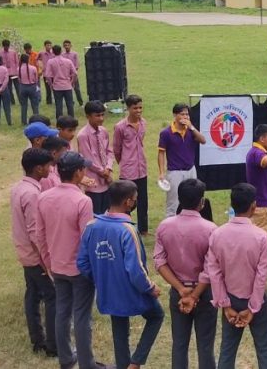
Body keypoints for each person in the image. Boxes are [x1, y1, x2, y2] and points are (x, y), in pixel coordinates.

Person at [77, 180, 165, 369]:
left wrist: (100, 278)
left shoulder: (91, 226)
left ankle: (123, 364)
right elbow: (136, 269)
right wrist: (150, 288)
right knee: (157, 315)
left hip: (108, 292)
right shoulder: (127, 230)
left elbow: (82, 262)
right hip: (131, 292)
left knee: (119, 329)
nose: (135, 202)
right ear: (127, 202)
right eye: (135, 199)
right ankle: (135, 362)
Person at [34, 151, 106, 369]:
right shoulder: (82, 201)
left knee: (62, 312)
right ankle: (87, 363)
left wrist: (48, 263)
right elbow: (87, 239)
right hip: (79, 269)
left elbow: (40, 235)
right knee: (82, 317)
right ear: (77, 173)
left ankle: (66, 358)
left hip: (57, 265)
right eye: (83, 168)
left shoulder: (44, 197)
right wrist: (92, 270)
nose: (85, 170)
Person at [206, 183, 267, 369]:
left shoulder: (217, 234)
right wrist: (253, 307)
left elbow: (214, 272)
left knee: (227, 350)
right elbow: (261, 275)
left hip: (231, 300)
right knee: (264, 350)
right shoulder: (260, 236)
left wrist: (225, 304)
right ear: (253, 206)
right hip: (256, 301)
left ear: (232, 204)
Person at [154, 178, 219, 369]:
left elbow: (159, 261)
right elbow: (209, 269)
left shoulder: (165, 226)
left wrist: (181, 290)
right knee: (205, 346)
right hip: (204, 293)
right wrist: (195, 294)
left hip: (178, 292)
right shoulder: (211, 229)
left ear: (180, 200)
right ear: (202, 202)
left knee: (179, 345)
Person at [11, 148, 57, 358]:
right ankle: (52, 345)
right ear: (39, 168)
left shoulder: (19, 187)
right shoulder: (32, 194)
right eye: (48, 165)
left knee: (32, 294)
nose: (51, 169)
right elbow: (34, 231)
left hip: (24, 252)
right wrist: (46, 260)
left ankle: (37, 340)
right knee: (52, 296)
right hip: (34, 255)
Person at [158, 103, 208, 217]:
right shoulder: (166, 133)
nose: (185, 117)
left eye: (187, 114)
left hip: (191, 169)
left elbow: (203, 140)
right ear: (175, 115)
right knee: (173, 203)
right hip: (175, 172)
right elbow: (161, 153)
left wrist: (192, 127)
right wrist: (161, 173)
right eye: (182, 114)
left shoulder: (191, 131)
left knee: (194, 199)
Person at [114, 95, 150, 235]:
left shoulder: (143, 123)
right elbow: (117, 149)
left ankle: (143, 229)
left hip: (142, 168)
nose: (138, 110)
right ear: (128, 108)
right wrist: (124, 162)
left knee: (143, 201)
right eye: (135, 108)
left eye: (140, 107)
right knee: (127, 201)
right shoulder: (120, 127)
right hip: (128, 170)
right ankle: (126, 226)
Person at [77, 101, 114, 214]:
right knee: (96, 214)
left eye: (103, 114)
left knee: (107, 212)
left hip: (106, 179)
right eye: (97, 115)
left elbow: (109, 151)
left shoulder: (103, 131)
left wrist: (108, 167)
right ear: (88, 116)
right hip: (93, 182)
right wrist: (102, 172)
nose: (101, 118)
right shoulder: (83, 135)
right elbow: (87, 159)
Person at [45, 45, 76, 119]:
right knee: (70, 104)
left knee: (58, 105)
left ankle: (59, 121)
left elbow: (48, 75)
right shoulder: (68, 61)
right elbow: (75, 73)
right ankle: (71, 119)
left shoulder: (50, 61)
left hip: (57, 86)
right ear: (61, 51)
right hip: (67, 85)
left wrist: (51, 84)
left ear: (53, 52)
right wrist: (72, 81)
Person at [17, 53, 42, 125]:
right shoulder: (33, 68)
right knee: (35, 105)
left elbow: (19, 79)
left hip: (22, 87)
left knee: (24, 105)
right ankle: (36, 120)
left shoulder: (18, 68)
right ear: (28, 60)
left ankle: (23, 121)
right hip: (32, 86)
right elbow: (36, 79)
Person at [62, 40, 85, 106]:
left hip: (73, 75)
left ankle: (81, 103)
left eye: (68, 45)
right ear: (63, 46)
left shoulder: (74, 54)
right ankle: (71, 102)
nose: (67, 47)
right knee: (68, 90)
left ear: (71, 46)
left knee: (77, 89)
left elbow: (76, 65)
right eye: (65, 45)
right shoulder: (62, 55)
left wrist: (73, 73)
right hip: (66, 76)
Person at [0, 39, 20, 104]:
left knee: (18, 87)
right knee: (9, 88)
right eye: (5, 46)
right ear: (3, 46)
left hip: (14, 73)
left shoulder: (13, 52)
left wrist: (17, 71)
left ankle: (21, 100)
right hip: (6, 74)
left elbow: (17, 62)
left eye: (7, 46)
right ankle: (12, 101)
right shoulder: (0, 53)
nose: (6, 47)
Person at [38, 40, 54, 105]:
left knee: (55, 87)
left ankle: (56, 99)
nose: (49, 47)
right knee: (48, 88)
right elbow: (37, 59)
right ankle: (49, 101)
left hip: (54, 73)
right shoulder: (41, 53)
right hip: (46, 74)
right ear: (45, 46)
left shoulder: (54, 53)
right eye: (48, 45)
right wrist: (41, 67)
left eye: (50, 45)